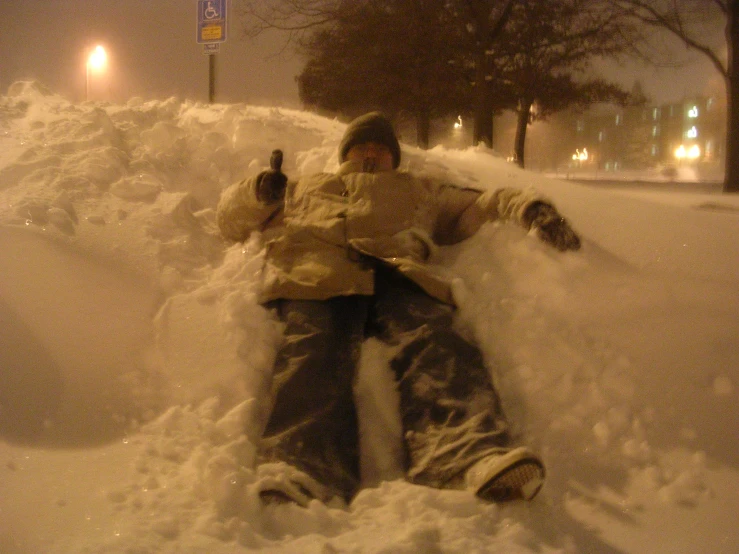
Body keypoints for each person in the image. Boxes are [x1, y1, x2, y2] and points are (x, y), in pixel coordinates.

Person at [216, 112, 581, 508]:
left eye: (380, 146)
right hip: (316, 274)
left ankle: (465, 451)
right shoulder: (304, 186)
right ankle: (301, 463)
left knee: (435, 340)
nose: (371, 151)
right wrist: (258, 192)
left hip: (398, 272)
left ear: (393, 157)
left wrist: (532, 208)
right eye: (362, 144)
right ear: (345, 152)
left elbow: (483, 201)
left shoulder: (419, 188)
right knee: (312, 352)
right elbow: (229, 221)